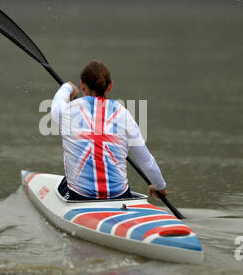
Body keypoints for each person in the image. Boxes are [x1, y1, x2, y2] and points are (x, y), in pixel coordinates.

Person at [51, 60, 168, 201]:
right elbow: (147, 162)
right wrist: (159, 185)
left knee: (63, 185)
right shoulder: (124, 114)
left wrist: (67, 87)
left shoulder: (66, 111)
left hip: (80, 197)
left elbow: (56, 103)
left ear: (82, 85)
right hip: (120, 195)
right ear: (110, 86)